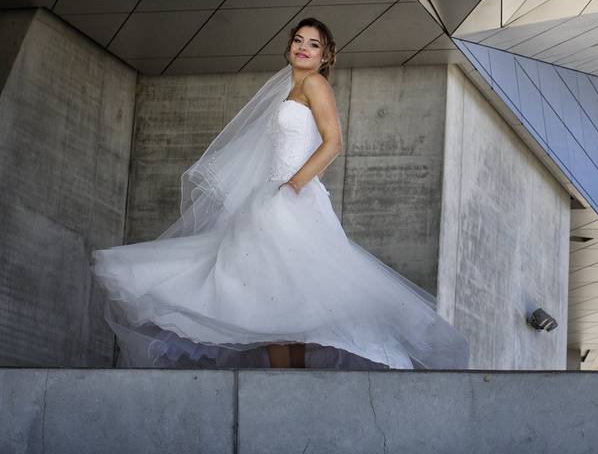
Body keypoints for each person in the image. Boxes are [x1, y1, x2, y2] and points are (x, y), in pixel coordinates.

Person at [92, 18, 469, 370]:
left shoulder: (313, 84)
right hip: (274, 197)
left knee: (272, 292)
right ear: (289, 46)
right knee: (281, 296)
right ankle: (293, 383)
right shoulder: (288, 88)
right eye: (298, 40)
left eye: (314, 44)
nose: (304, 48)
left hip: (292, 197)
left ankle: (285, 383)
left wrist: (292, 186)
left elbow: (333, 143)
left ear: (326, 56)